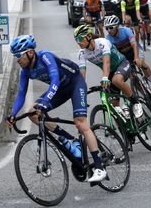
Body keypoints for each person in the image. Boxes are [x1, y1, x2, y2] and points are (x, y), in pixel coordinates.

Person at [7, 35, 107, 182]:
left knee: (80, 122)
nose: (17, 59)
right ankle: (69, 139)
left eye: (18, 55)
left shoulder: (45, 57)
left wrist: (45, 102)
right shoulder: (25, 71)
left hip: (74, 83)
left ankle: (99, 167)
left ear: (30, 52)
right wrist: (12, 114)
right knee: (32, 113)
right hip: (59, 89)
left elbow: (54, 80)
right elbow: (21, 94)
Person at [74, 25, 144, 120]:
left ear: (89, 36)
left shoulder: (102, 43)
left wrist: (104, 78)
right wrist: (80, 93)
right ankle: (128, 127)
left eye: (80, 38)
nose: (78, 42)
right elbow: (82, 74)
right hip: (110, 73)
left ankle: (135, 102)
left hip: (122, 64)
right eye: (76, 39)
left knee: (116, 80)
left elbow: (106, 62)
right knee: (113, 105)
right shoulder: (82, 53)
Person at [104, 15, 151, 94]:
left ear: (117, 26)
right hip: (124, 56)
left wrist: (136, 57)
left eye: (111, 28)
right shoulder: (108, 39)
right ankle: (145, 94)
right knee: (131, 76)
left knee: (141, 63)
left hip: (135, 50)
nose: (109, 30)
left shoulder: (126, 31)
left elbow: (134, 45)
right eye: (107, 28)